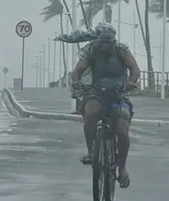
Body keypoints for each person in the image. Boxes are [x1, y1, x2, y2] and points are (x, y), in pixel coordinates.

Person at [56, 23, 140, 189]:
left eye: (109, 42)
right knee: (90, 113)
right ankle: (91, 151)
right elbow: (78, 70)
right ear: (98, 40)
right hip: (96, 91)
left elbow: (134, 68)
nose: (105, 45)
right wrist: (76, 81)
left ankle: (122, 167)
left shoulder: (122, 49)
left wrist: (131, 82)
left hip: (119, 94)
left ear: (114, 41)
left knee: (122, 130)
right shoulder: (92, 50)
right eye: (103, 42)